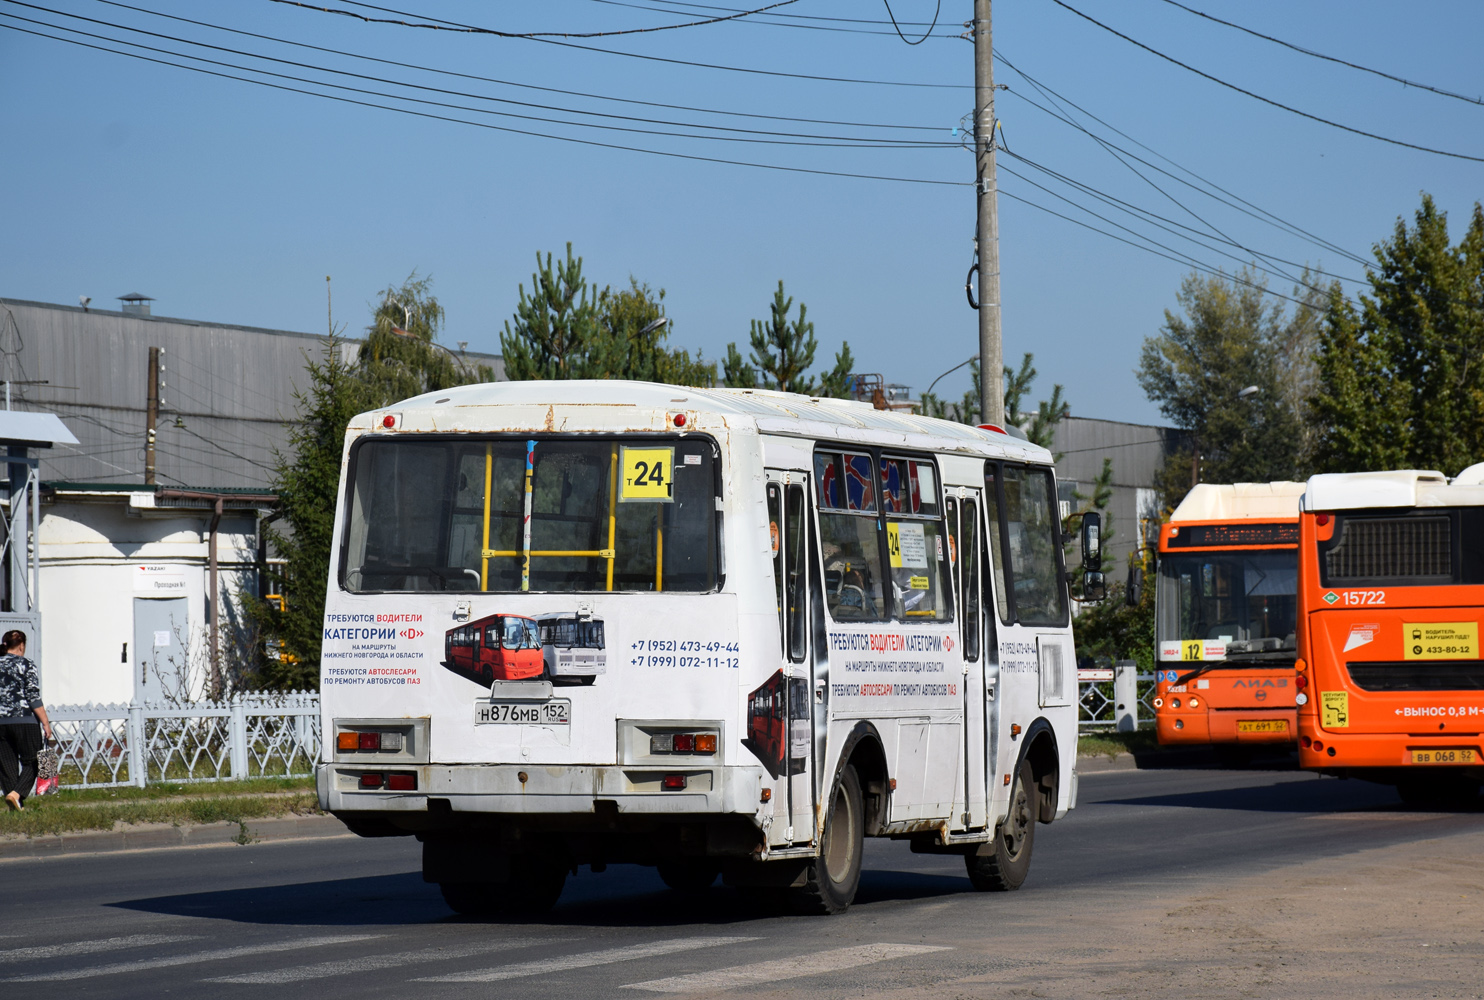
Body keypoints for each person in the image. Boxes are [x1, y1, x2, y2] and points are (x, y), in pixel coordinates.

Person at [0, 629, 51, 811]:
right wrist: (45, 722)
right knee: (34, 761)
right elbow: (32, 696)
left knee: (7, 764)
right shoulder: (26, 664)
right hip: (24, 720)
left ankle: (15, 805)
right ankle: (16, 794)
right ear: (22, 646)